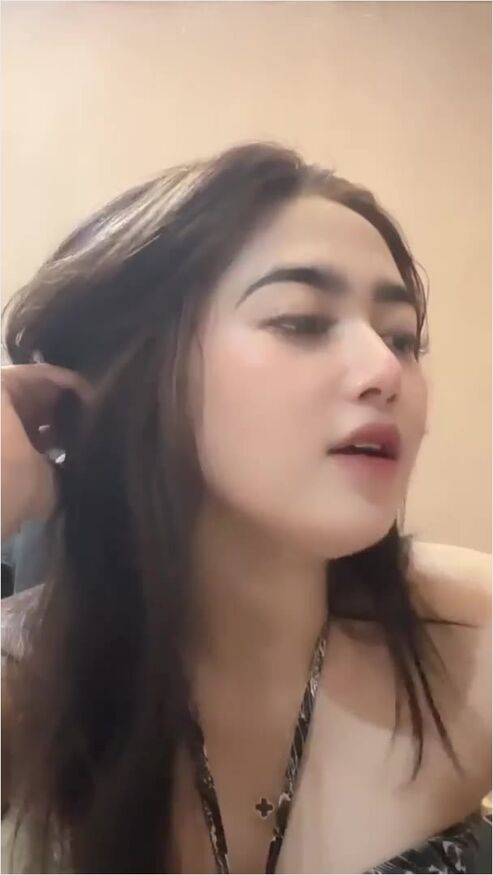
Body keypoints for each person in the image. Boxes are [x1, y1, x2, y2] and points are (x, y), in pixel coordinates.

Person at [1, 142, 491, 874]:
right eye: (301, 320)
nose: (385, 370)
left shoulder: (471, 635)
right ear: (137, 373)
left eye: (401, 337)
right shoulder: (25, 681)